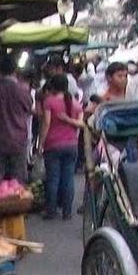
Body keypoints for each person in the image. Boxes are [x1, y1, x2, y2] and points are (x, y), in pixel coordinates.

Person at [0, 56, 34, 184]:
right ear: (15, 70)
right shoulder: (21, 90)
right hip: (18, 141)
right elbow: (29, 108)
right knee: (18, 184)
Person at [38, 72, 83, 219]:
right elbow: (80, 125)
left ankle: (51, 210)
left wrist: (40, 145)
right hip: (71, 145)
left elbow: (46, 124)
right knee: (68, 178)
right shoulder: (76, 103)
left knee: (53, 178)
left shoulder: (49, 101)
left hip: (53, 145)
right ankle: (67, 211)